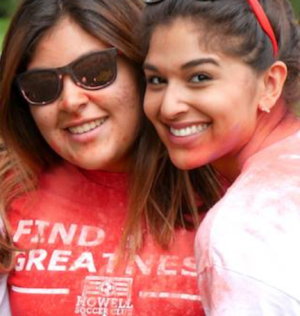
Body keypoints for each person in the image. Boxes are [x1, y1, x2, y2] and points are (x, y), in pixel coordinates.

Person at [0, 0, 223, 315]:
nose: (71, 101)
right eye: (41, 86)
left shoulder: (236, 194)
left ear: (144, 69)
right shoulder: (7, 200)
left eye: (95, 71)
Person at [140, 0, 300, 314]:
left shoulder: (242, 231)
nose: (169, 106)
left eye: (200, 77)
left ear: (269, 84)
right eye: (156, 80)